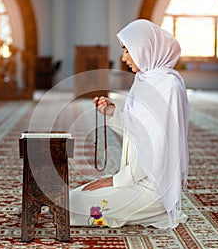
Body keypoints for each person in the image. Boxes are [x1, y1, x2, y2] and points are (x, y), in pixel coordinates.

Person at [69, 19, 189, 229]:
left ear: (145, 48)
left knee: (74, 206)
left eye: (127, 50)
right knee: (72, 196)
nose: (124, 58)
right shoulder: (145, 79)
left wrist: (116, 181)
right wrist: (112, 113)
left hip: (154, 187)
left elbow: (157, 148)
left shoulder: (168, 85)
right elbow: (136, 131)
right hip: (133, 176)